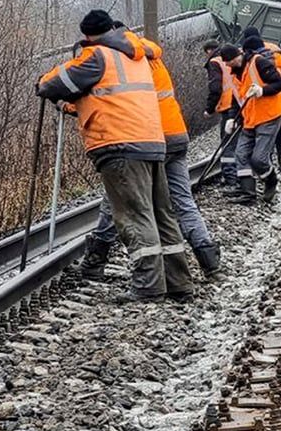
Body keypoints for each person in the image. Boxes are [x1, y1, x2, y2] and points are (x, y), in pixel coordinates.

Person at [37, 10, 193, 304]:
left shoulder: (97, 56)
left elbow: (54, 84)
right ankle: (178, 282)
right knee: (161, 213)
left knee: (134, 215)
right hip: (152, 141)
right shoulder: (136, 56)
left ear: (87, 35)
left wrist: (44, 81)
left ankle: (148, 286)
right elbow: (110, 97)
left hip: (119, 144)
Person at [82, 30, 223, 279]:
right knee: (183, 201)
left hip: (149, 137)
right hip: (176, 134)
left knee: (116, 198)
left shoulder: (124, 64)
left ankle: (96, 260)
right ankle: (209, 261)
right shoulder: (151, 55)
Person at [228, 31, 281, 205]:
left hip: (269, 113)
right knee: (246, 154)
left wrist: (262, 91)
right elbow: (238, 98)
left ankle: (275, 183)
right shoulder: (275, 52)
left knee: (261, 158)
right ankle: (253, 193)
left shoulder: (257, 61)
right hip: (266, 114)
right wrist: (232, 118)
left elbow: (278, 83)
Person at [204, 40, 242, 192]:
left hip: (228, 106)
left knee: (228, 143)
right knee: (239, 142)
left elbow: (215, 88)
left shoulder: (215, 62)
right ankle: (242, 175)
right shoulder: (233, 57)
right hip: (240, 103)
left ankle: (230, 178)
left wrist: (209, 109)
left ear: (209, 51)